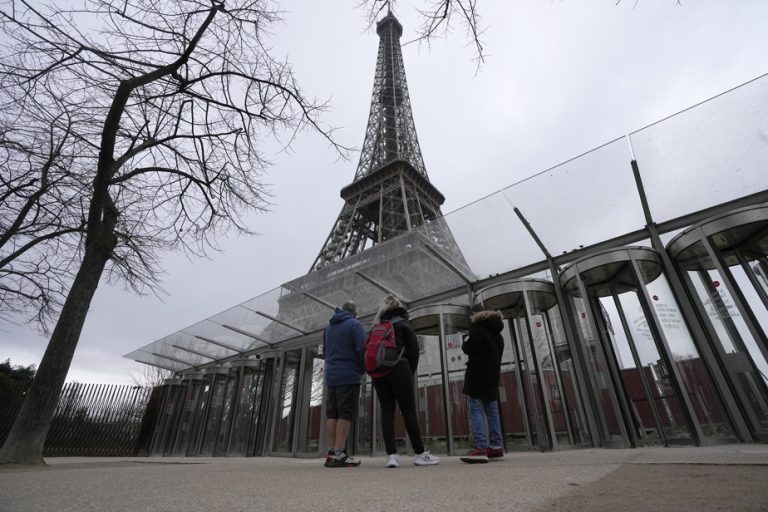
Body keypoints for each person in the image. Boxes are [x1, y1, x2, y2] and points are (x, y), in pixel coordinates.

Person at [370, 295, 440, 468]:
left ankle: (392, 456)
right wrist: (410, 371)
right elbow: (414, 350)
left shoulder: (377, 326)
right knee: (408, 411)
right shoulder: (403, 323)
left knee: (386, 412)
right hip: (400, 369)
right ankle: (419, 454)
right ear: (399, 307)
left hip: (378, 373)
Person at [323, 300, 367, 467]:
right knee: (345, 414)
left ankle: (332, 452)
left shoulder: (328, 328)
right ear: (355, 312)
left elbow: (326, 352)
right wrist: (362, 369)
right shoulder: (355, 324)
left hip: (331, 376)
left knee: (332, 413)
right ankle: (340, 453)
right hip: (348, 374)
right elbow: (362, 349)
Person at [460, 303, 505, 463]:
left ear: (474, 314)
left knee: (476, 409)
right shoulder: (498, 333)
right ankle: (495, 447)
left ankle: (480, 448)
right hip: (492, 376)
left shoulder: (477, 329)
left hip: (477, 376)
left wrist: (465, 337)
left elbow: (467, 348)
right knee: (492, 410)